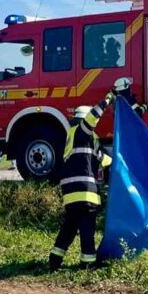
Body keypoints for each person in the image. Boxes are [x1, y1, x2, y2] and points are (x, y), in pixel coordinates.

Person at [49, 89, 117, 271]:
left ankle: (54, 260)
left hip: (71, 195)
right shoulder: (81, 132)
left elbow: (104, 160)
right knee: (87, 231)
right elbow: (93, 117)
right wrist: (108, 98)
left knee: (69, 229)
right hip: (85, 194)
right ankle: (87, 264)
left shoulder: (75, 138)